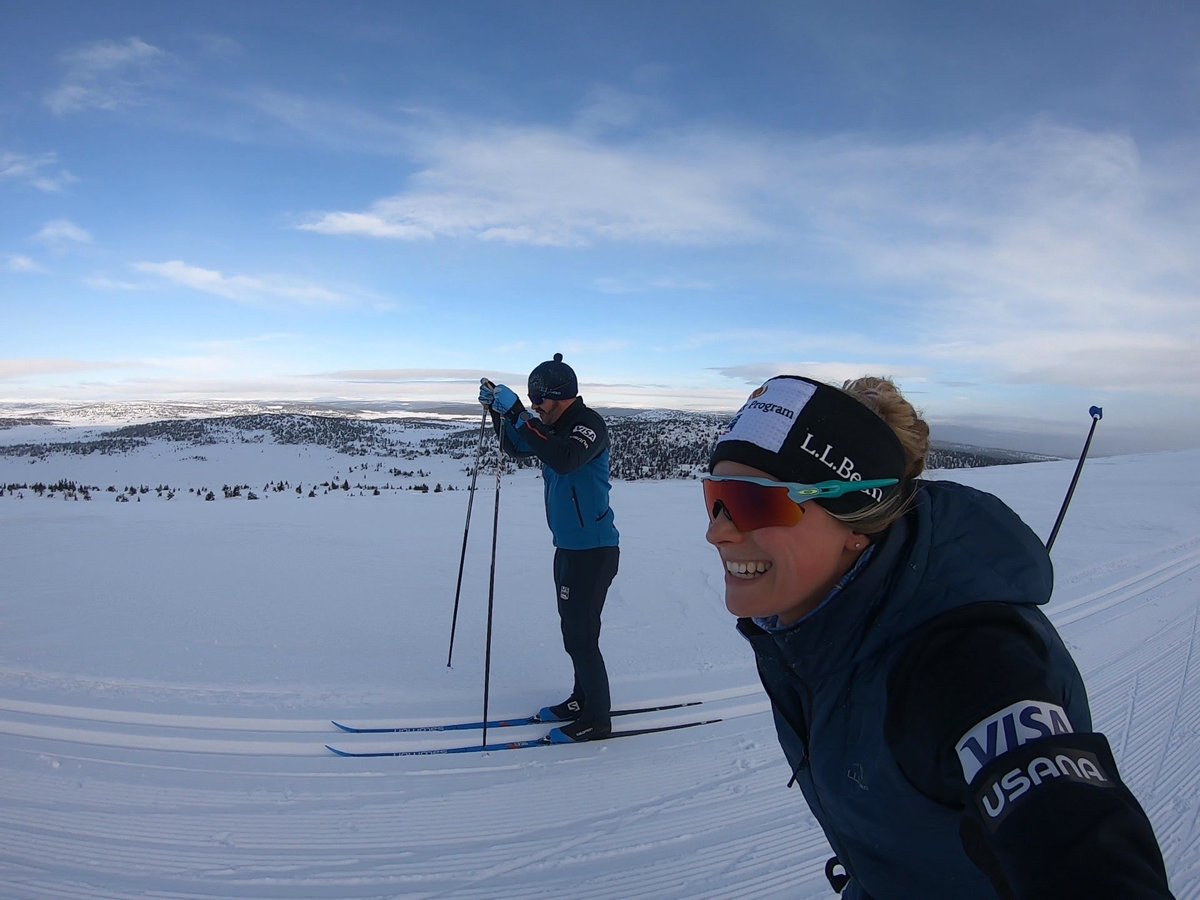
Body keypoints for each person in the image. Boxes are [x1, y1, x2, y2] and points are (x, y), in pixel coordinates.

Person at [704, 374, 1173, 898]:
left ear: (859, 522)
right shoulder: (806, 627)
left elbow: (1079, 842)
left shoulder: (969, 662)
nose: (718, 531)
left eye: (757, 503)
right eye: (716, 497)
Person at [479, 353, 619, 744]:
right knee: (573, 631)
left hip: (594, 550)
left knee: (581, 636)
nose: (536, 407)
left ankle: (597, 718)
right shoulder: (551, 427)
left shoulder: (588, 426)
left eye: (540, 400)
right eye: (532, 400)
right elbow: (516, 447)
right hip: (569, 548)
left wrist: (520, 413)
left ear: (561, 397)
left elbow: (565, 458)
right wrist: (500, 414)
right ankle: (581, 700)